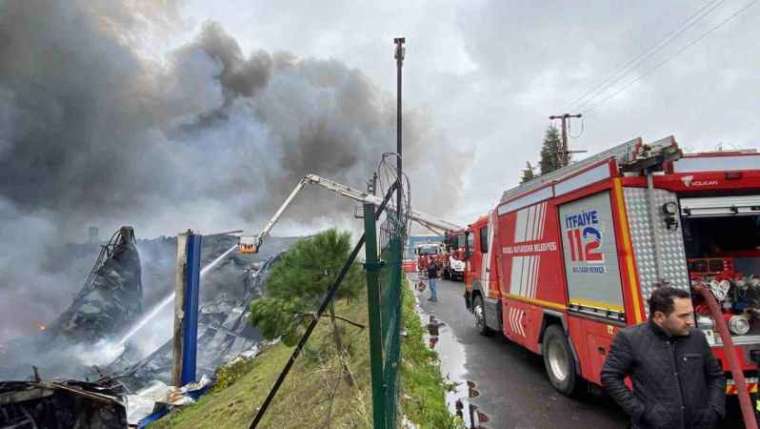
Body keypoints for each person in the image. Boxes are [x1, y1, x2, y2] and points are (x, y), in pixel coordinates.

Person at [601, 286, 725, 429]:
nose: (690, 321)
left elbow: (716, 376)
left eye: (690, 314)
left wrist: (714, 410)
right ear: (659, 316)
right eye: (682, 316)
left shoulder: (697, 338)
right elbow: (610, 376)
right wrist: (639, 411)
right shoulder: (630, 339)